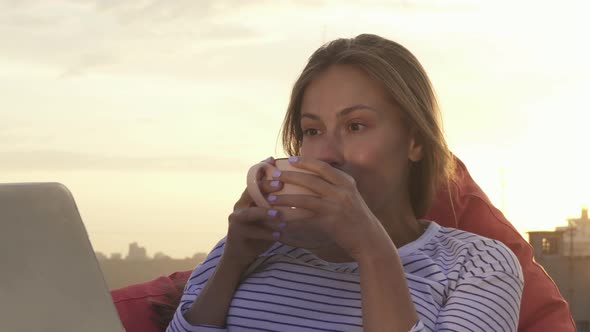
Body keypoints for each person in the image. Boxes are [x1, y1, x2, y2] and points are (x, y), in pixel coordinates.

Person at [166, 34, 523, 331]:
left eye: (355, 126)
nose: (326, 154)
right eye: (312, 131)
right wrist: (233, 262)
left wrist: (371, 249)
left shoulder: (477, 264)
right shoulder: (250, 249)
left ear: (414, 141)